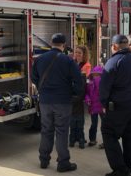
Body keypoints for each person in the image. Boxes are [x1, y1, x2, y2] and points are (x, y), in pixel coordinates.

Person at [32, 33, 83, 172]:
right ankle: (63, 163)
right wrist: (74, 94)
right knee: (61, 131)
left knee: (46, 130)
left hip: (45, 101)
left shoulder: (40, 59)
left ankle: (43, 160)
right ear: (64, 45)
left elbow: (34, 78)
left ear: (51, 43)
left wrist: (44, 89)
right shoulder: (68, 61)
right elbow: (78, 81)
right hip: (63, 101)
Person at [99, 34, 131, 176]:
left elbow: (104, 87)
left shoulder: (113, 62)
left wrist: (103, 103)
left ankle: (120, 169)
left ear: (114, 46)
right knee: (129, 136)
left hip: (118, 107)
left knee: (108, 133)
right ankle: (127, 167)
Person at [69, 45, 91, 149]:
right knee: (73, 118)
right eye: (76, 52)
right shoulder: (72, 63)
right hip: (72, 93)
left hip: (80, 94)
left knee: (78, 117)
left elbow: (83, 80)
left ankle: (79, 138)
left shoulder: (86, 66)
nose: (77, 54)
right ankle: (74, 138)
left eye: (79, 53)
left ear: (84, 55)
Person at [84, 65, 104, 147]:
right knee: (94, 124)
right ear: (92, 74)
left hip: (102, 106)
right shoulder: (89, 83)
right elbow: (86, 93)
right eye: (94, 74)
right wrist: (87, 99)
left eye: (98, 75)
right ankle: (92, 139)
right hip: (93, 106)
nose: (96, 76)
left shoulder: (103, 83)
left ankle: (105, 141)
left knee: (104, 125)